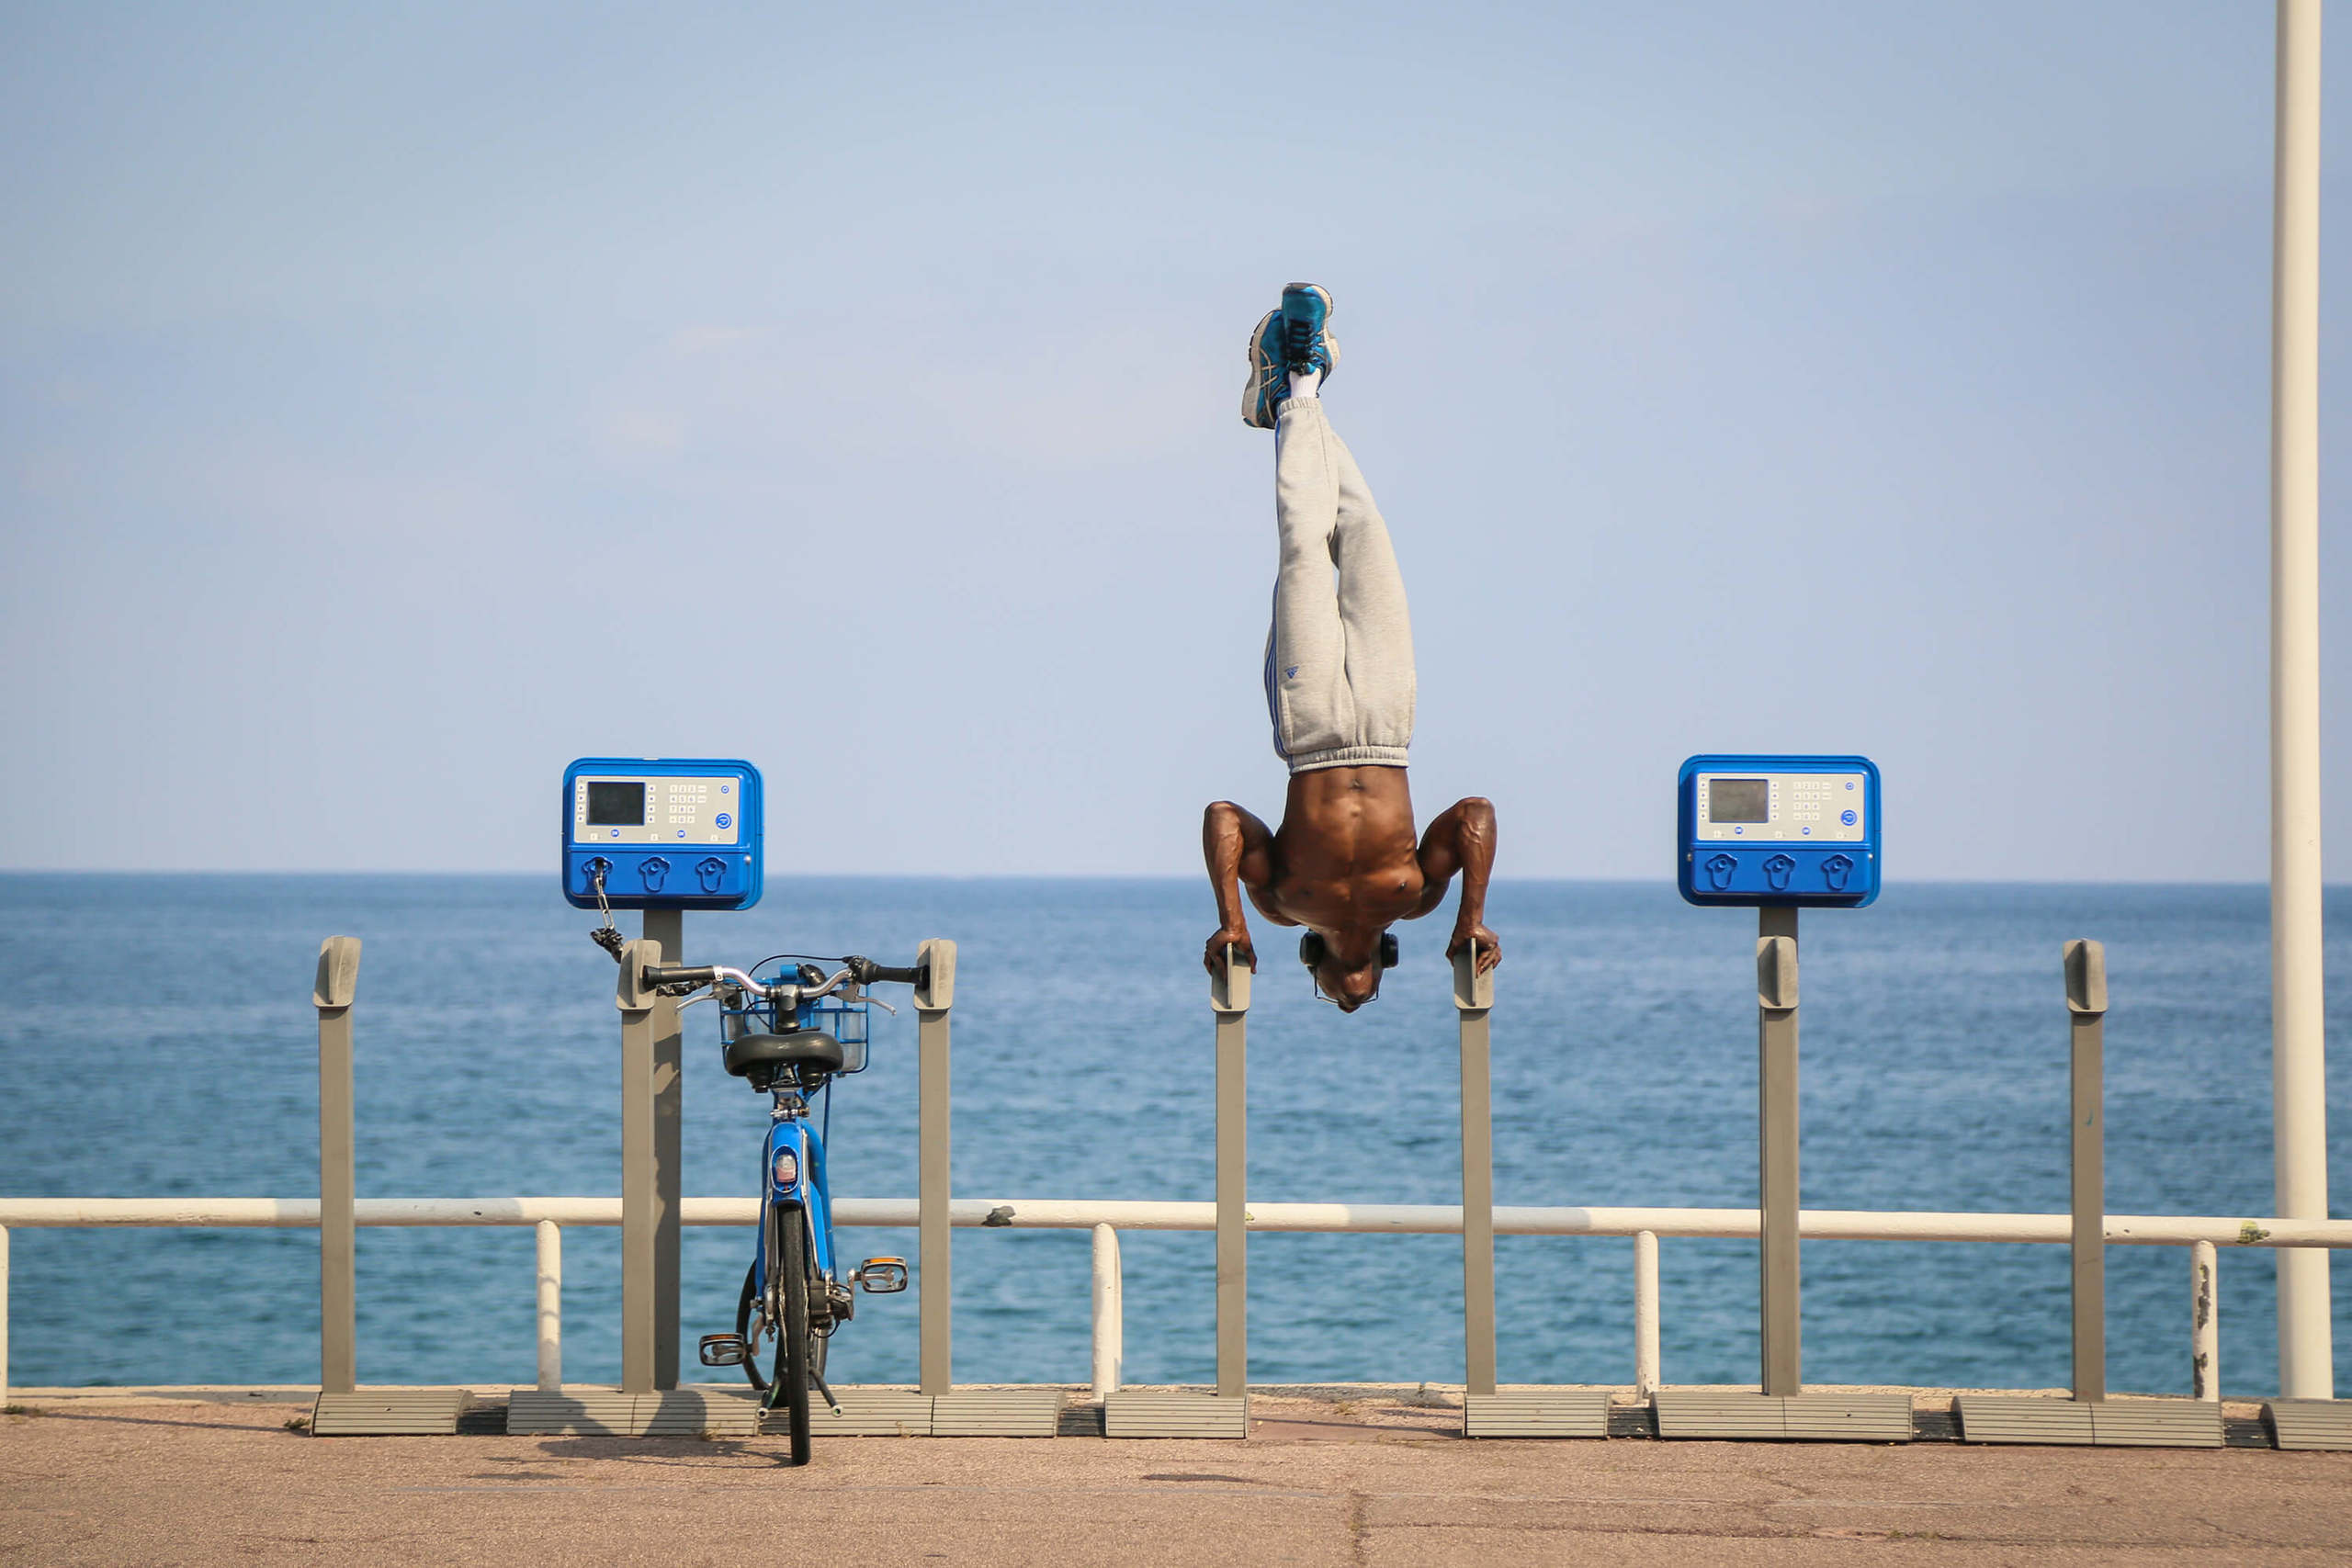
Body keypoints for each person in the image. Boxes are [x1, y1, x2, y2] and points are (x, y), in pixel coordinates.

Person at [1202, 283, 1500, 1011]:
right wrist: (1471, 916)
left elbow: (1223, 818)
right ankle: (1297, 389)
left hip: (1314, 730)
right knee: (1367, 534)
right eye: (1358, 1001)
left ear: (1313, 969)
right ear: (1385, 967)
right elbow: (1475, 815)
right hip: (1390, 727)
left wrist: (1231, 920)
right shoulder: (1417, 899)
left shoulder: (1281, 904)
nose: (1350, 999)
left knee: (1305, 546)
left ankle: (1298, 384)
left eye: (1333, 1000)